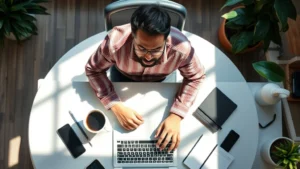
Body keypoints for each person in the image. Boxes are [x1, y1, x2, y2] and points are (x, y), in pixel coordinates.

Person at [85, 4, 205, 153]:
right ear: (132, 36)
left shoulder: (181, 48)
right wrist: (114, 104)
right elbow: (93, 69)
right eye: (141, 48)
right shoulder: (114, 43)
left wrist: (176, 116)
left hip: (162, 80)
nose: (148, 56)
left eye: (156, 50)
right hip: (123, 76)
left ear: (166, 39)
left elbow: (196, 77)